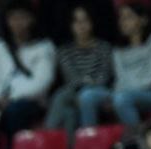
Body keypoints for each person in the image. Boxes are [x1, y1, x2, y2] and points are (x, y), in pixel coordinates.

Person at [0, 0, 56, 136]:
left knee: (15, 111)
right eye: (13, 18)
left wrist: (11, 99)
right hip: (0, 101)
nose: (17, 22)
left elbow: (42, 82)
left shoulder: (44, 47)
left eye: (22, 17)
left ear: (31, 19)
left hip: (32, 102)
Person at [79, 3, 151, 130]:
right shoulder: (118, 51)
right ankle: (90, 141)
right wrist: (118, 93)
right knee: (87, 95)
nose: (123, 22)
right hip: (124, 92)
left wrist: (121, 93)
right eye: (121, 18)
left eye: (128, 17)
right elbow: (121, 79)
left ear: (143, 20)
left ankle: (139, 142)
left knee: (121, 99)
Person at [46, 6, 113, 138]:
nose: (81, 25)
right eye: (77, 21)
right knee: (68, 112)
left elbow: (104, 77)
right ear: (71, 25)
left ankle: (49, 137)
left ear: (92, 22)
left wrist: (86, 86)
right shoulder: (64, 51)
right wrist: (85, 84)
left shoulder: (104, 47)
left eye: (85, 20)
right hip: (73, 92)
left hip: (100, 92)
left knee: (79, 96)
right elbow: (71, 77)